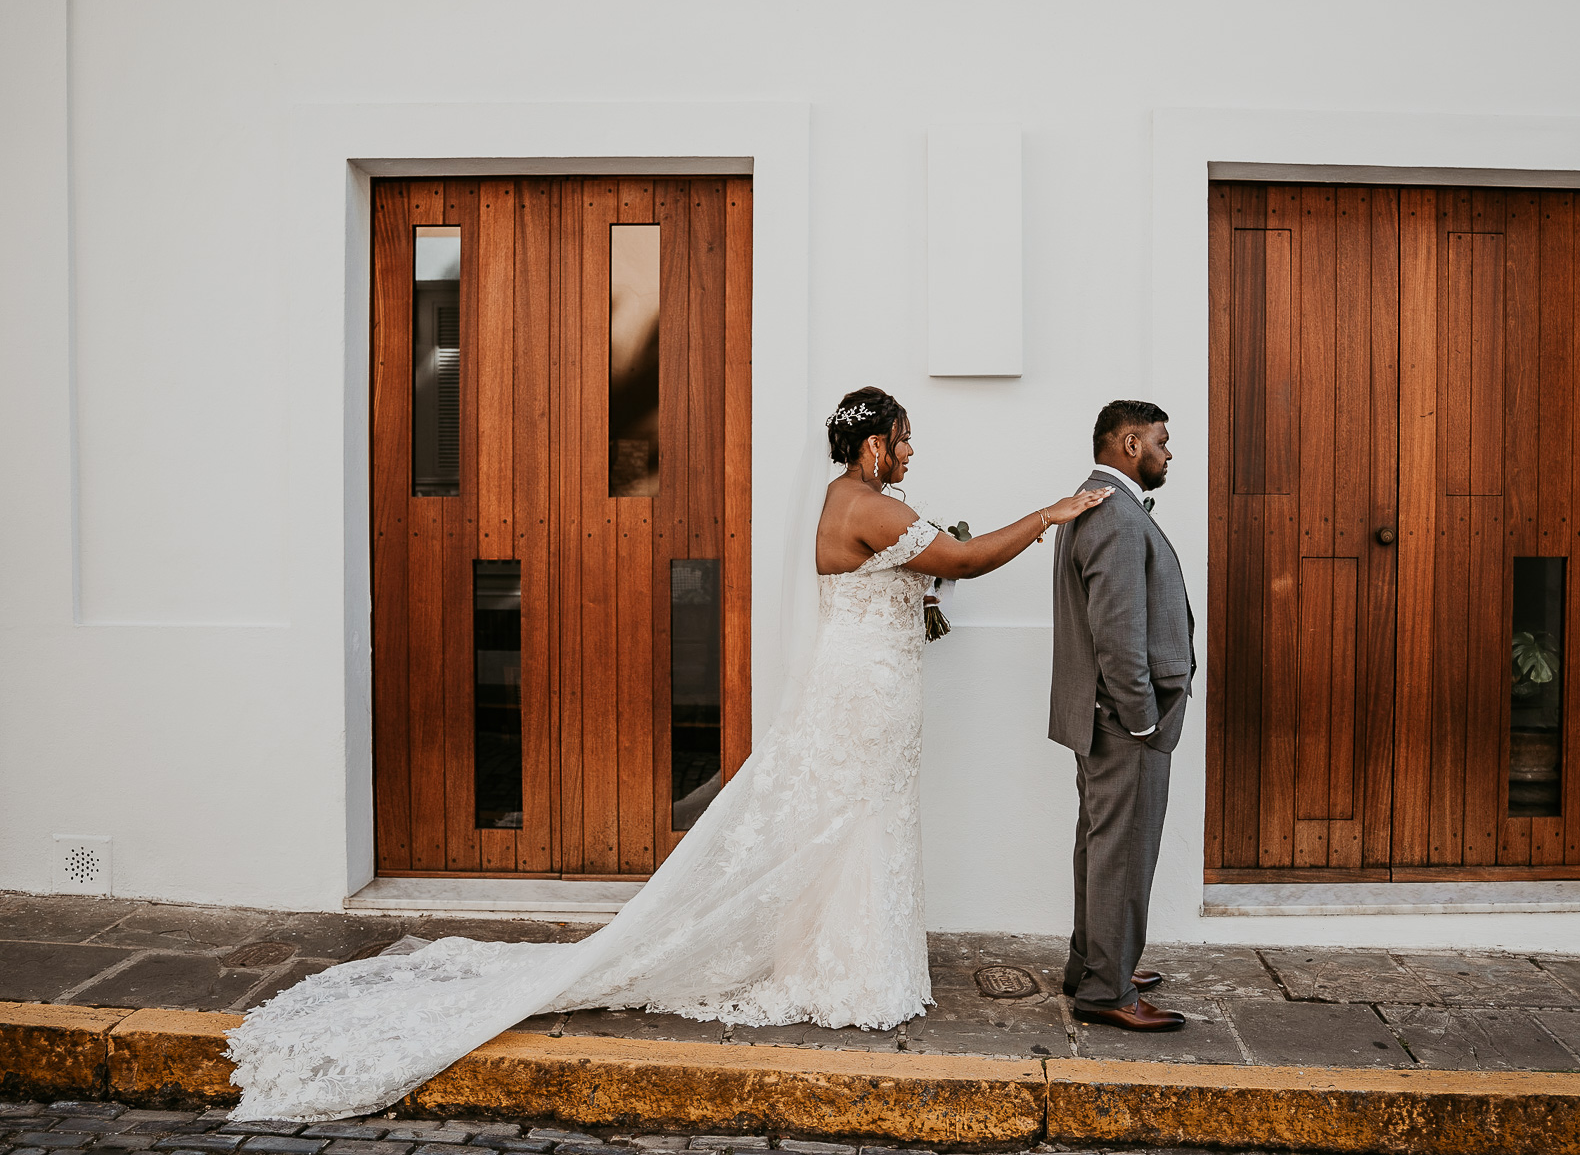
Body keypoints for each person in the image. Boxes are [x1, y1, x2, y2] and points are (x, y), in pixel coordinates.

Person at [224, 386, 1109, 1122]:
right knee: (856, 815)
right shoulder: (873, 505)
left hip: (872, 684)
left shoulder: (854, 502)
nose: (913, 453)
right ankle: (851, 973)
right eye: (906, 440)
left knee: (860, 819)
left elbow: (920, 572)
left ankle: (849, 961)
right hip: (866, 693)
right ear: (874, 446)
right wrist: (1049, 514)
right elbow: (962, 557)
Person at [1049, 400, 1194, 1032]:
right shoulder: (1114, 514)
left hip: (1102, 715)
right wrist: (1141, 718)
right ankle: (1107, 989)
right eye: (1162, 441)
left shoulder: (1095, 503)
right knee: (1123, 852)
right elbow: (1117, 632)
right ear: (1130, 443)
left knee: (1101, 844)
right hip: (1124, 720)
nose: (1169, 453)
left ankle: (1094, 964)